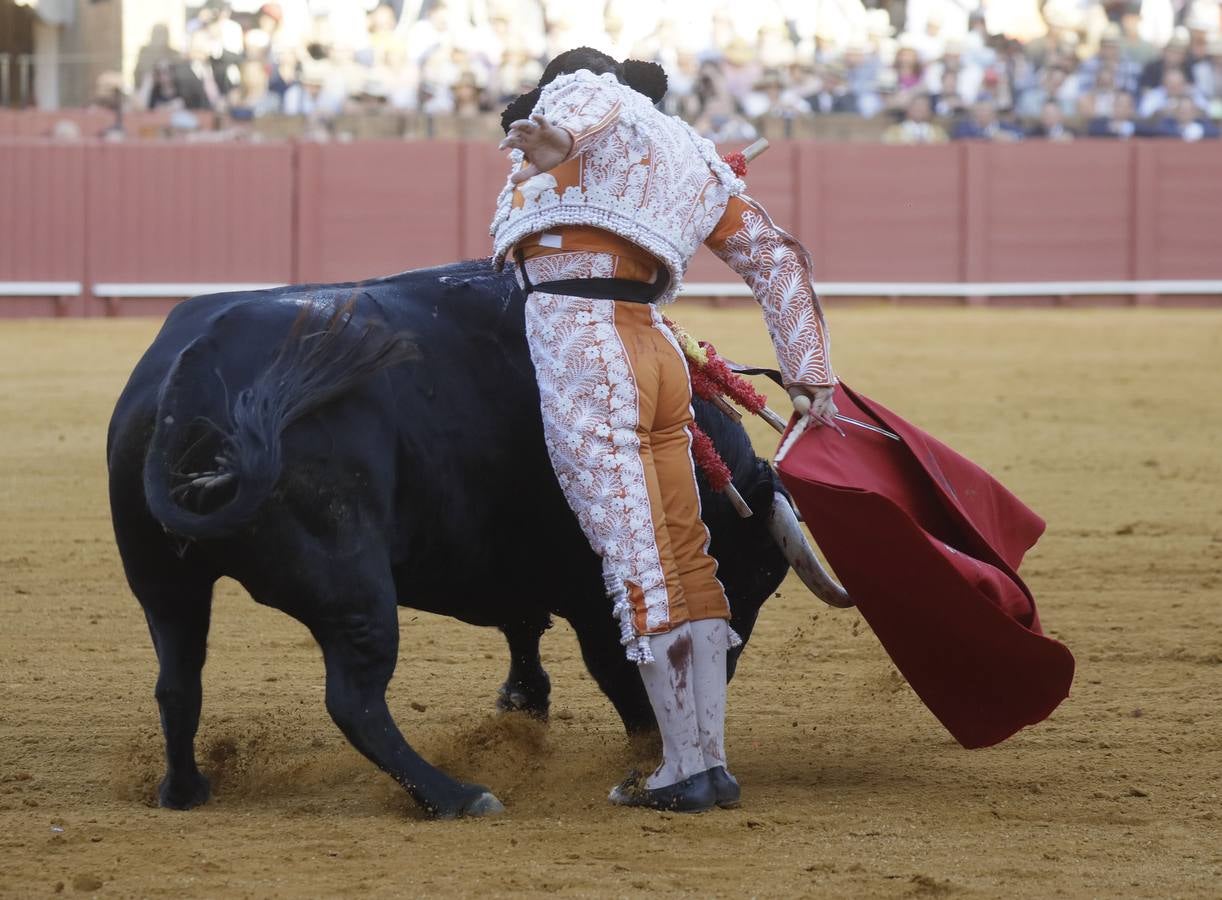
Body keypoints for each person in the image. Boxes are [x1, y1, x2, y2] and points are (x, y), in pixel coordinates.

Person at [491, 48, 836, 813]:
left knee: (640, 565)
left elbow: (588, 102)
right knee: (684, 556)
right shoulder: (700, 161)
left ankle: (684, 768)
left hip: (586, 347)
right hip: (652, 348)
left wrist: (555, 137)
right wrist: (810, 373)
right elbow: (776, 260)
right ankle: (705, 761)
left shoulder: (587, 96)